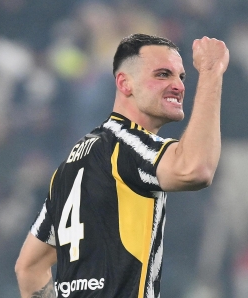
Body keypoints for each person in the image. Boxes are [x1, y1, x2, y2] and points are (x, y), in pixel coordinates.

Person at [14, 33, 229, 298]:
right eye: (163, 74)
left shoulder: (71, 164)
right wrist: (210, 72)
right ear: (125, 83)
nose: (178, 86)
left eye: (181, 77)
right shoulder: (126, 145)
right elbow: (195, 169)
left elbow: (29, 268)